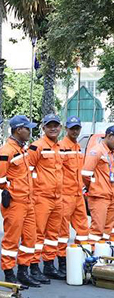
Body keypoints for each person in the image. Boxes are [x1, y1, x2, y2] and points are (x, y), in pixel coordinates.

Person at [0, 115, 41, 286]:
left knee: (30, 238)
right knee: (11, 239)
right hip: (15, 202)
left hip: (27, 201)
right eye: (27, 128)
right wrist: (13, 190)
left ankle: (23, 271)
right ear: (18, 130)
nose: (29, 132)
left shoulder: (22, 150)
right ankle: (9, 273)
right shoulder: (6, 151)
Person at [26, 115, 68, 281]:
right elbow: (27, 171)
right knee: (38, 234)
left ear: (60, 128)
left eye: (56, 125)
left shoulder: (61, 147)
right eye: (49, 126)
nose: (53, 128)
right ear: (43, 128)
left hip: (57, 197)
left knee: (53, 234)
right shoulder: (37, 147)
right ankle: (34, 266)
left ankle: (49, 265)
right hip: (41, 197)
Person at [60, 116, 92, 254]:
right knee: (62, 229)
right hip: (65, 194)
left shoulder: (77, 147)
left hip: (78, 193)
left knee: (83, 227)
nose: (75, 131)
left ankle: (81, 254)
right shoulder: (61, 146)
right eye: (72, 128)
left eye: (77, 128)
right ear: (66, 129)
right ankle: (62, 258)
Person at [80, 126, 114, 246]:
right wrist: (94, 187)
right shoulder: (96, 151)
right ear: (109, 136)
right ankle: (92, 253)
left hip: (111, 196)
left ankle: (103, 254)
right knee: (97, 230)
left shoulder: (111, 153)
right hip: (99, 196)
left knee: (107, 231)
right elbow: (85, 174)